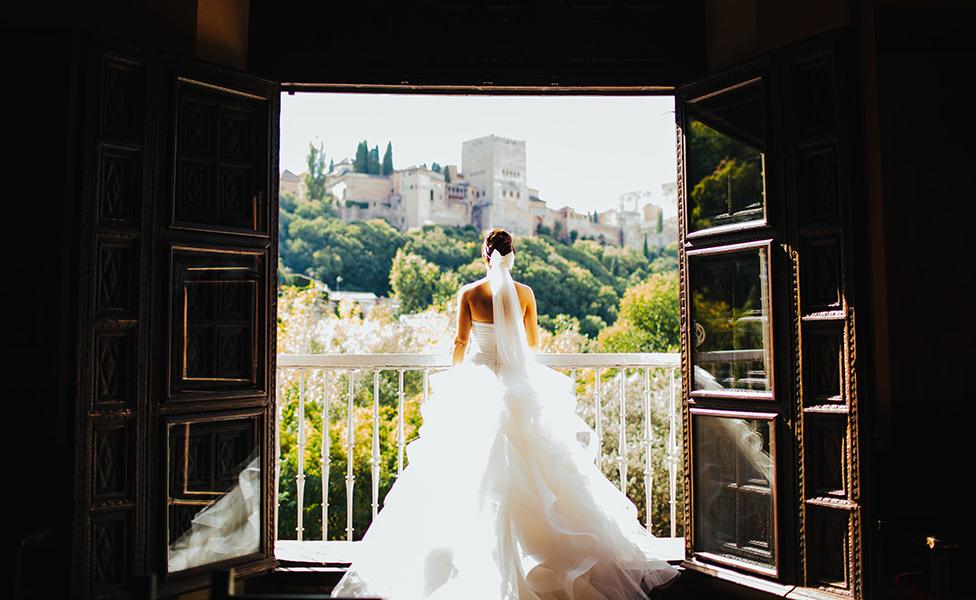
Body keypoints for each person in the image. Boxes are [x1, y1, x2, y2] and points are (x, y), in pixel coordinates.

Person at [330, 228, 681, 599]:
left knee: (463, 474)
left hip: (478, 381)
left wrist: (455, 376)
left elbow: (460, 341)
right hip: (517, 385)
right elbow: (532, 343)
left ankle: (465, 561)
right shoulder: (525, 294)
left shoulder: (469, 293)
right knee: (540, 472)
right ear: (511, 255)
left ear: (485, 255)